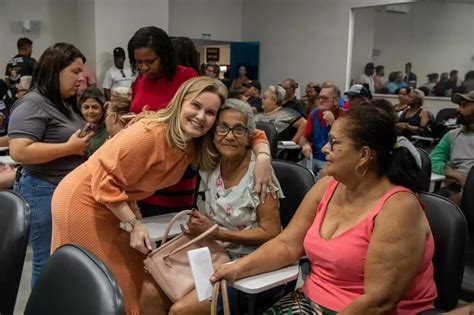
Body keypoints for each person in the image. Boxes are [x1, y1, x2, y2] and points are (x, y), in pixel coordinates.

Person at [51, 77, 273, 314]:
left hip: (115, 203)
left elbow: (249, 130)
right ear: (180, 102)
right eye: (195, 106)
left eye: (210, 112)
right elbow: (104, 181)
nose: (200, 116)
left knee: (134, 281)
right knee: (101, 285)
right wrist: (133, 224)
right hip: (85, 200)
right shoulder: (151, 134)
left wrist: (263, 156)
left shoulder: (193, 141)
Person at [212, 105, 436, 314]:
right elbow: (287, 244)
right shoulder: (328, 185)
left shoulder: (399, 208)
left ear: (364, 155)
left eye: (334, 142)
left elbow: (379, 302)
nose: (324, 148)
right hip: (310, 302)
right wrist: (236, 269)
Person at [140, 98, 283, 314]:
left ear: (248, 138)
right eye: (223, 128)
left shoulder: (261, 175)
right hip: (209, 253)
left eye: (238, 130)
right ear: (214, 135)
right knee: (149, 290)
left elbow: (271, 232)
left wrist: (218, 233)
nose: (229, 136)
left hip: (245, 264)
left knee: (181, 311)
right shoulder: (210, 163)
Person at [8, 43, 92, 287]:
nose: (81, 78)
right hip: (43, 190)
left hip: (64, 191)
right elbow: (20, 150)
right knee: (47, 262)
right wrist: (69, 148)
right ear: (55, 70)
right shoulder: (32, 103)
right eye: (75, 71)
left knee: (63, 260)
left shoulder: (63, 102)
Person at [127, 26, 200, 216]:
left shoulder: (187, 77)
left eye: (150, 61)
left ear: (165, 56)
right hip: (142, 169)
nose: (144, 68)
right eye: (139, 62)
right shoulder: (139, 82)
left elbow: (194, 121)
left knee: (170, 231)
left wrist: (152, 119)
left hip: (174, 170)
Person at [430, 91, 474, 205]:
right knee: (426, 206)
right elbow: (433, 160)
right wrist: (455, 174)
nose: (458, 110)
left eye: (464, 105)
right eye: (459, 105)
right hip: (455, 186)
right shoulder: (452, 135)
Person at [297, 85, 345, 176]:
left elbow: (343, 143)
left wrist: (333, 123)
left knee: (320, 178)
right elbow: (303, 138)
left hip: (331, 160)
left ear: (336, 101)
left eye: (325, 98)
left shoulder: (344, 116)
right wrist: (305, 145)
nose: (320, 101)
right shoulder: (314, 114)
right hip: (313, 158)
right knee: (294, 174)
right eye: (319, 98)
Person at [79, 87, 108, 155]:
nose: (90, 111)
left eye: (95, 107)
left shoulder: (109, 129)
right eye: (86, 107)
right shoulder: (76, 127)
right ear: (80, 109)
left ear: (103, 109)